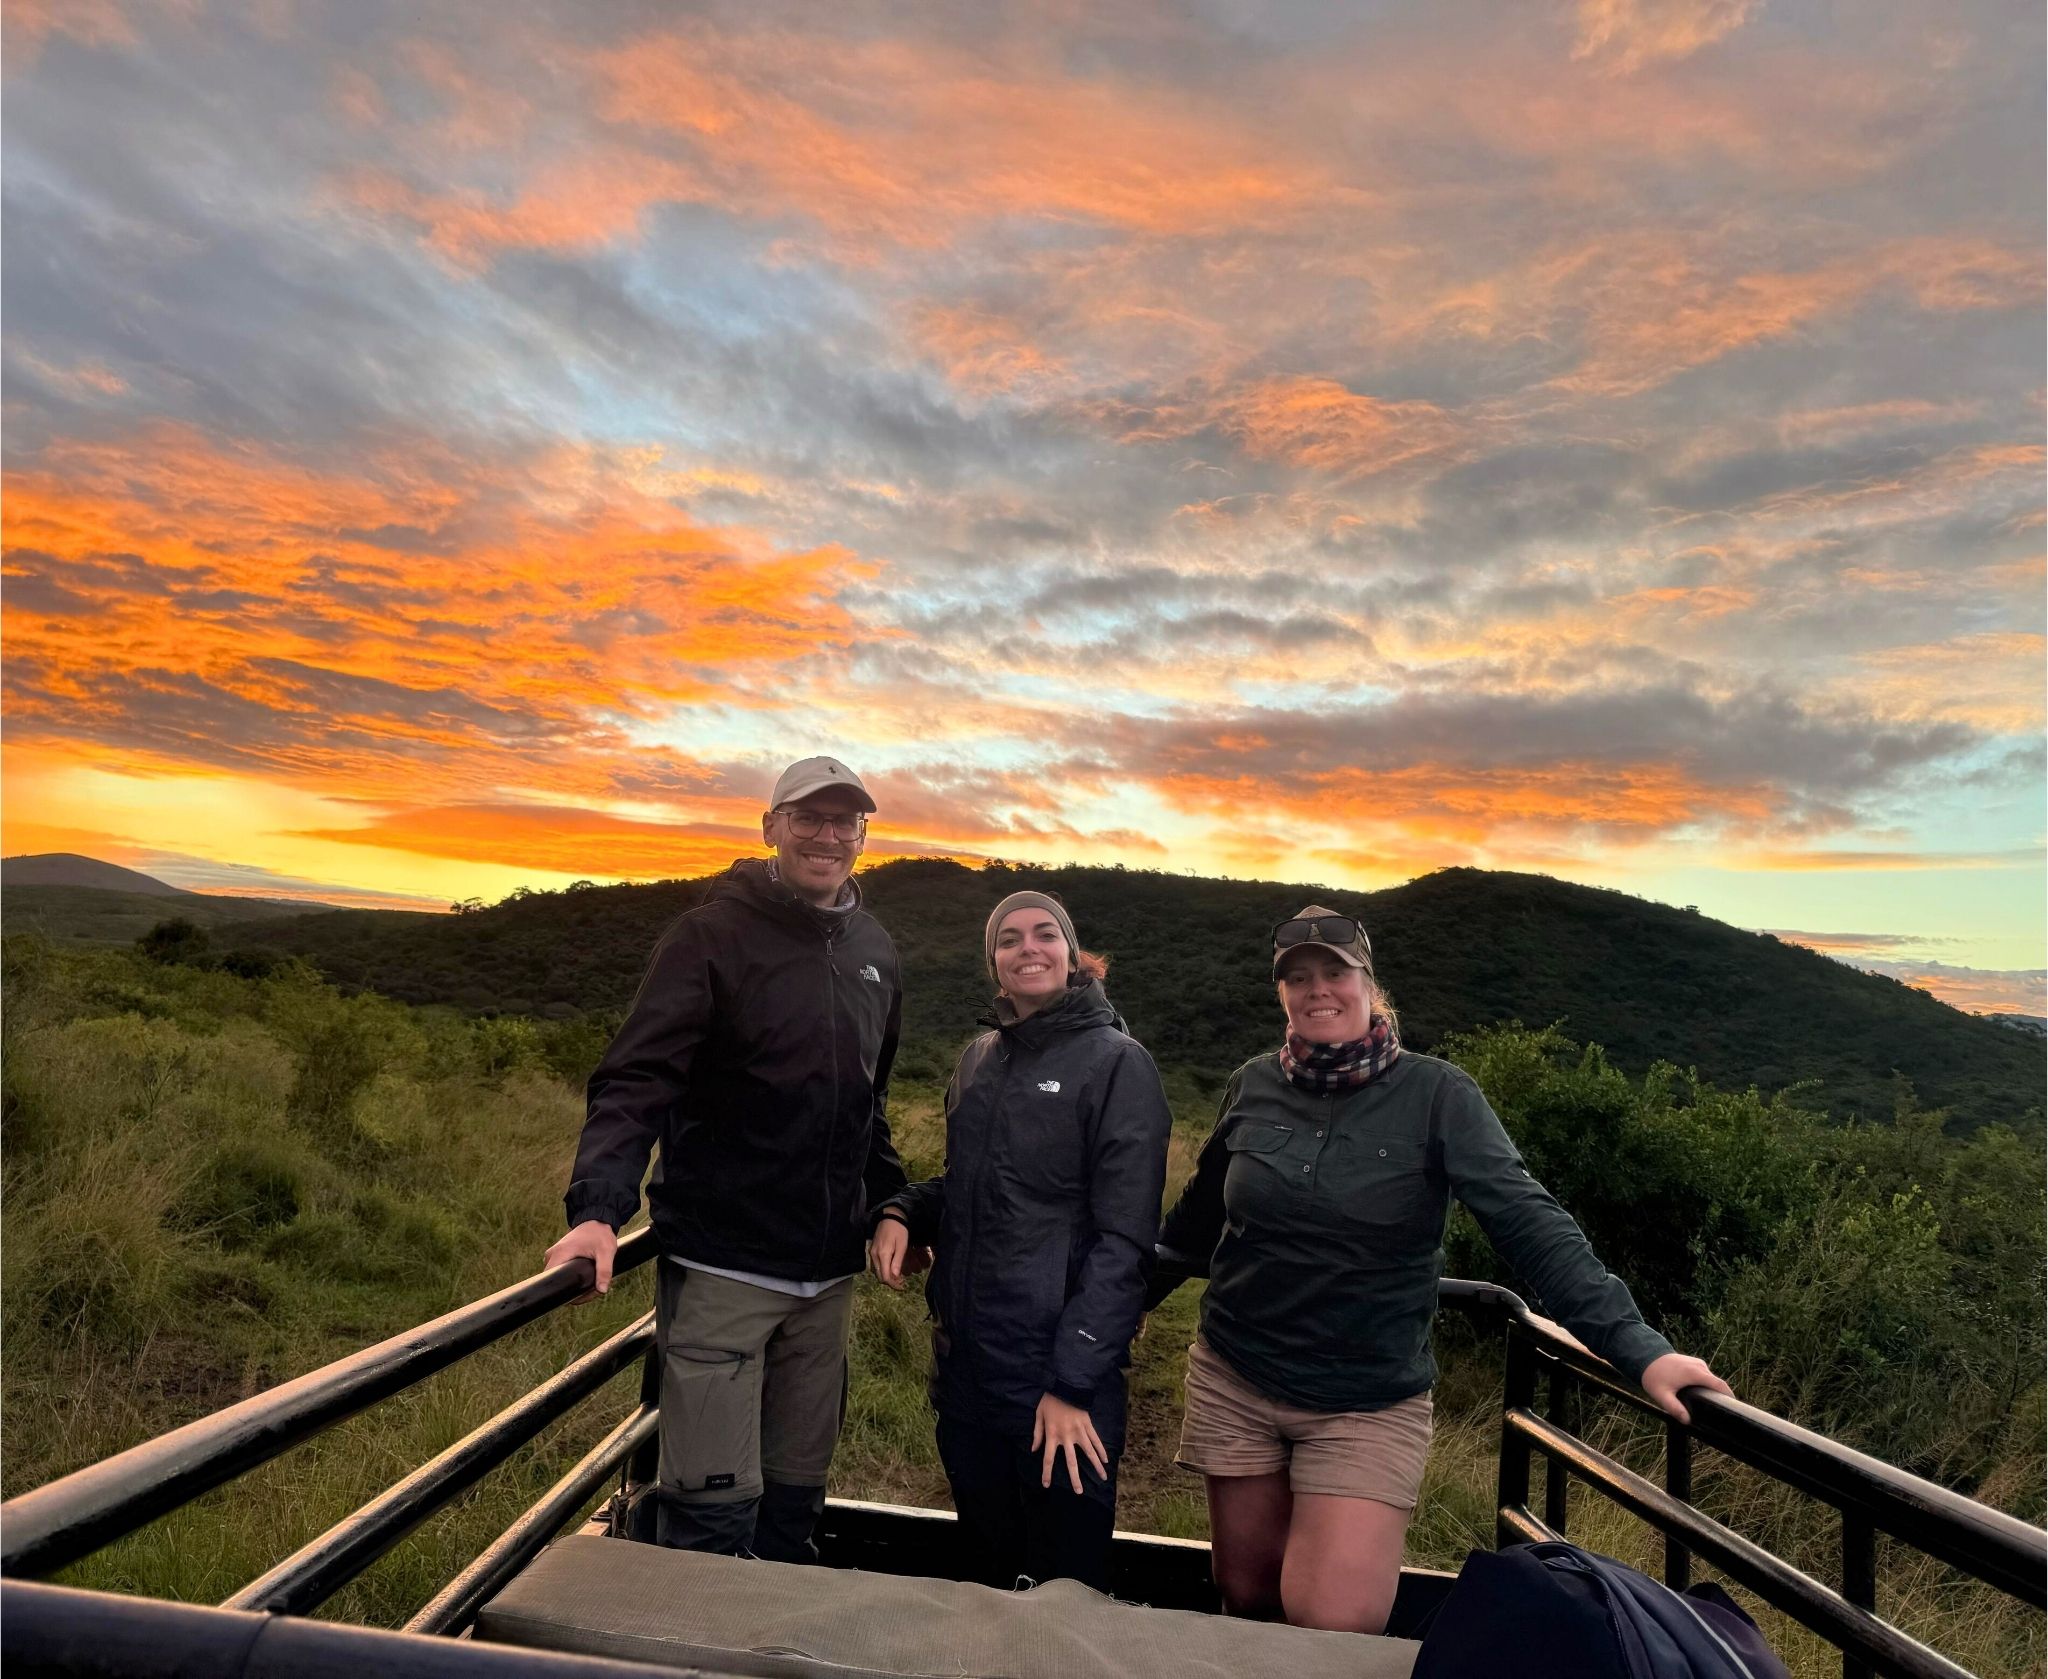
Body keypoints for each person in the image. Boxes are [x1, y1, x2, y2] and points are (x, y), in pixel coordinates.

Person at [1150, 906, 1732, 1635]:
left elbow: (1529, 1221)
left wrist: (1640, 1350)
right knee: (1246, 1595)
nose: (1317, 988)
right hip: (1236, 1375)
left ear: (1368, 982)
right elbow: (1191, 1230)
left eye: (1335, 971)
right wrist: (1098, 1316)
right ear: (1281, 993)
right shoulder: (1251, 1084)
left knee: (1333, 1624)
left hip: (1365, 1399)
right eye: (1297, 977)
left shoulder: (1439, 1095)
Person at [544, 756, 908, 1563]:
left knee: (792, 1503)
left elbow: (866, 1108)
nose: (826, 835)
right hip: (723, 1270)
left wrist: (894, 1203)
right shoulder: (712, 936)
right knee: (711, 1512)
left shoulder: (875, 950)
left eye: (844, 821)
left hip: (827, 1284)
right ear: (770, 826)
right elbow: (638, 1077)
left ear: (862, 835)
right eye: (807, 817)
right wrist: (597, 1211)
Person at [869, 891, 1171, 1591]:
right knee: (983, 1572)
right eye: (1009, 939)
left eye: (1044, 934)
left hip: (1056, 1380)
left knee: (1062, 1589)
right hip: (969, 1370)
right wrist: (900, 1210)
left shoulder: (1118, 1064)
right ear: (995, 964)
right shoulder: (979, 1059)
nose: (1027, 947)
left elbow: (1125, 1242)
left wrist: (1071, 1383)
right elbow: (965, 1187)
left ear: (1072, 955)